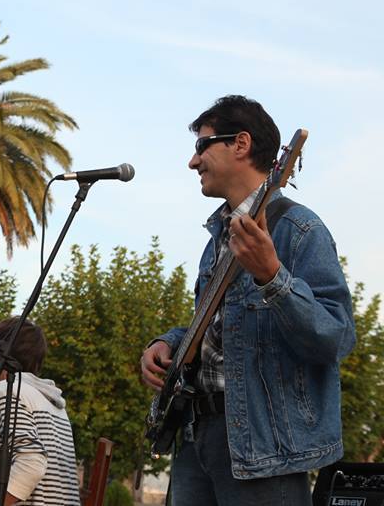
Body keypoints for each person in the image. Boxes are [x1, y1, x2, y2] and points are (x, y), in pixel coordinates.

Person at [140, 95, 355, 505]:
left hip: (261, 444)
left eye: (202, 145)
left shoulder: (300, 229)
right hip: (196, 435)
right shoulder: (218, 238)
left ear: (240, 144)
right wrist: (167, 341)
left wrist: (272, 277)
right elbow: (224, 327)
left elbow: (336, 336)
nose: (192, 161)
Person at [0, 317, 81, 506]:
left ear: (1, 357)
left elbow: (31, 465)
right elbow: (45, 476)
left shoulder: (6, 391)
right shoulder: (51, 400)